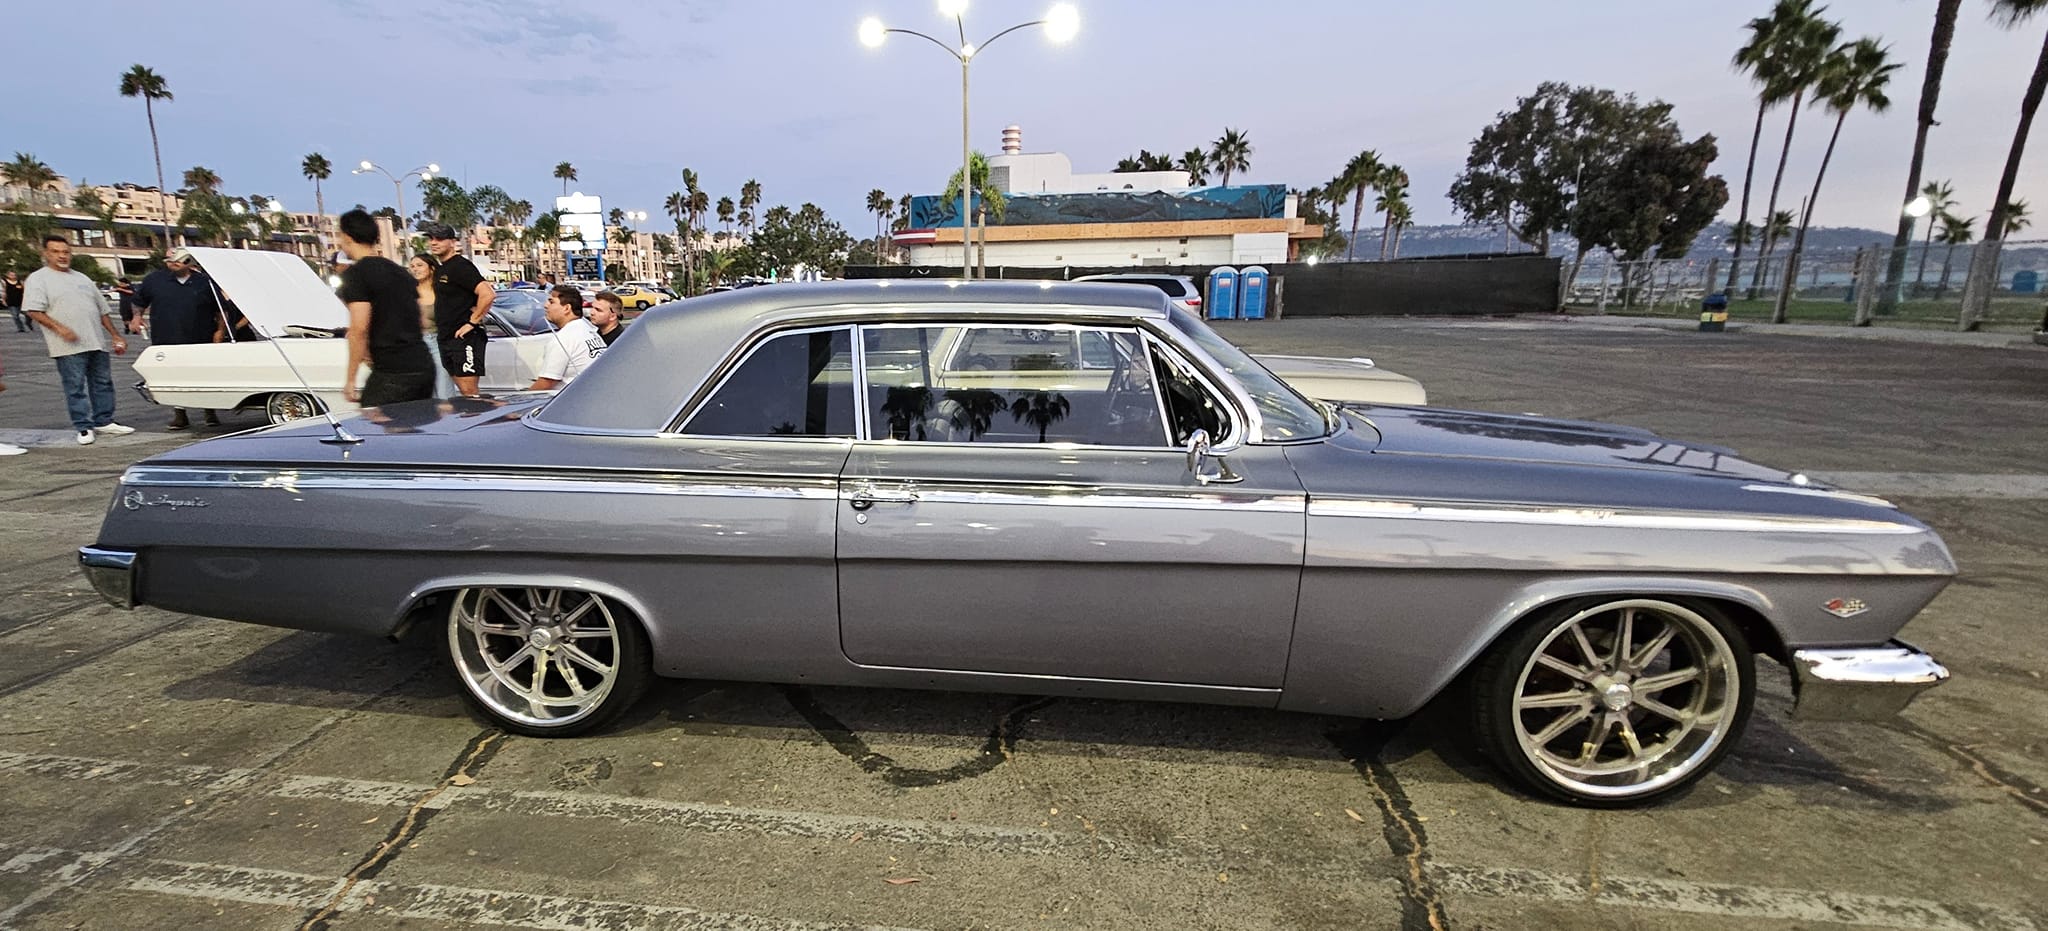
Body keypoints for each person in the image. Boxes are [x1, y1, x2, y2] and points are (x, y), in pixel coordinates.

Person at [22, 235, 134, 445]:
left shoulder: (82, 278)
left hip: (95, 341)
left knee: (103, 382)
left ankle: (104, 420)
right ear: (46, 254)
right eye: (55, 251)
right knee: (75, 386)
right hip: (67, 346)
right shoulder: (39, 279)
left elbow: (102, 310)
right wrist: (60, 329)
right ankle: (83, 426)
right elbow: (33, 310)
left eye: (65, 251)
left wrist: (115, 335)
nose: (62, 256)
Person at [335, 209, 436, 408]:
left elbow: (359, 329)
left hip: (393, 371)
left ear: (347, 237)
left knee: (374, 425)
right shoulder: (401, 272)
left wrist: (351, 379)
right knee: (414, 429)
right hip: (422, 365)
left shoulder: (356, 275)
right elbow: (421, 320)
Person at [132, 249, 224, 429]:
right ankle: (180, 415)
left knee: (203, 376)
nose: (173, 262)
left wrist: (219, 331)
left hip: (200, 338)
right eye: (170, 259)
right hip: (167, 338)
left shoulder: (204, 282)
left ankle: (210, 411)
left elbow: (220, 309)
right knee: (172, 377)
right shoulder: (154, 280)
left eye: (179, 259)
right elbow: (139, 301)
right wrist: (137, 317)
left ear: (189, 261)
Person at [424, 223, 494, 397]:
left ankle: (477, 421)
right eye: (431, 238)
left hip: (464, 338)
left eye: (439, 238)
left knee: (469, 392)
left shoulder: (460, 266)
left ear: (452, 242)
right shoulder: (441, 269)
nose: (434, 242)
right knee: (463, 392)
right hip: (446, 337)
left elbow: (488, 294)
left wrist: (472, 322)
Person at [528, 284, 605, 389]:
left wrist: (520, 403)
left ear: (567, 308)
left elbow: (547, 382)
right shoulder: (588, 329)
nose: (545, 305)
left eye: (551, 302)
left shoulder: (564, 338)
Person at [409, 253, 457, 398]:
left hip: (437, 342)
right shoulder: (407, 292)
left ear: (431, 268)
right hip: (414, 345)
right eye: (412, 266)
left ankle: (448, 419)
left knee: (443, 391)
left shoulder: (441, 291)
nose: (415, 269)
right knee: (421, 392)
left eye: (419, 265)